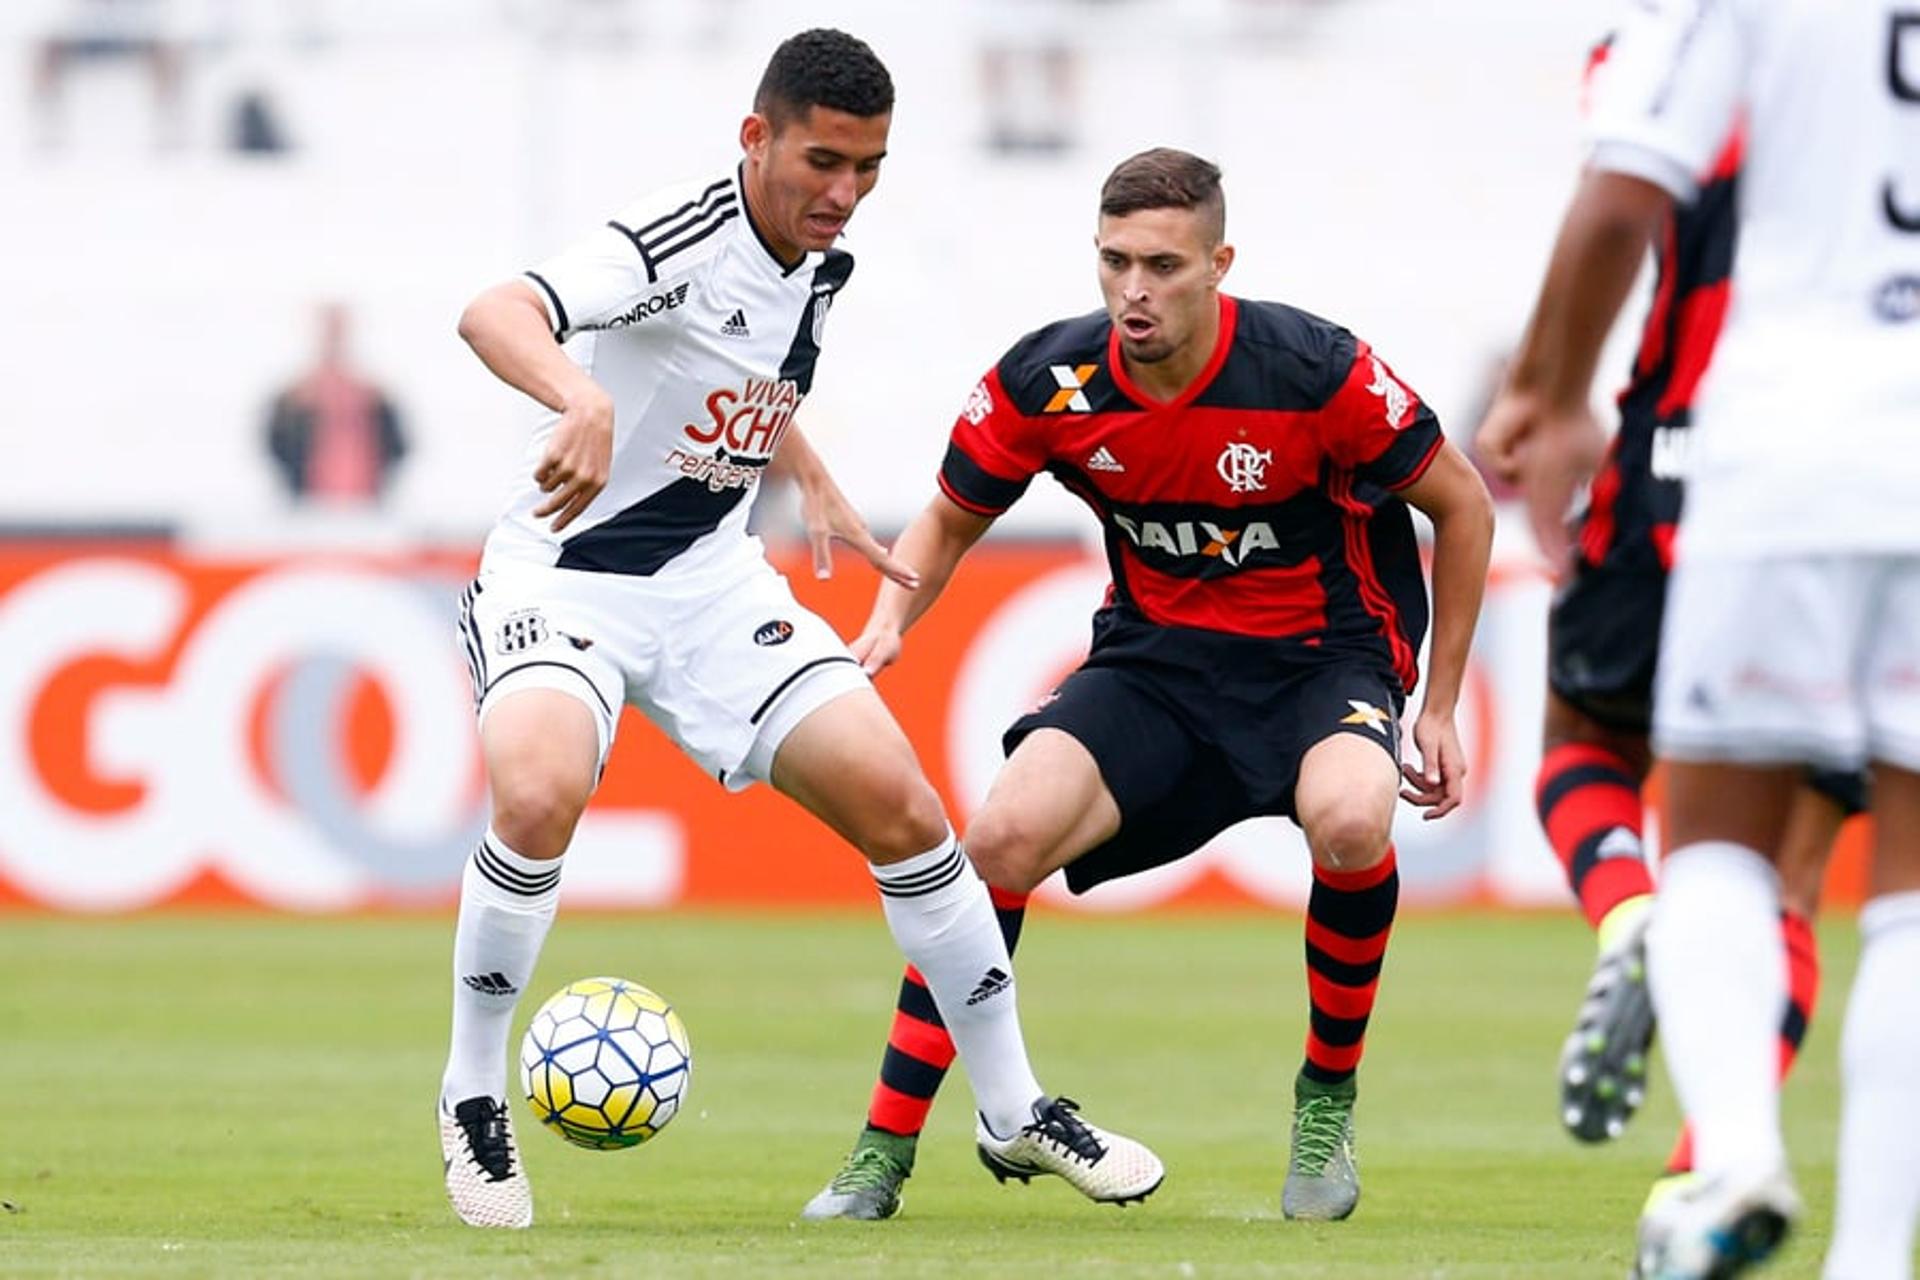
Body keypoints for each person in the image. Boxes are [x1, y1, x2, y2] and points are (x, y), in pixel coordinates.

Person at [438, 28, 1162, 1230]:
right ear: (755, 136)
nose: (845, 193)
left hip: (714, 585)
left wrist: (805, 466)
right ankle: (471, 1092)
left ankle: (1012, 1106)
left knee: (909, 810)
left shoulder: (818, 259)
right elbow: (494, 310)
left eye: (869, 168)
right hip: (567, 576)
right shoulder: (675, 232)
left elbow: (724, 367)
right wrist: (579, 393)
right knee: (537, 793)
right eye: (824, 161)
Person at [801, 147, 1495, 1225]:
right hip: (1158, 664)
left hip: (1324, 661)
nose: (1135, 289)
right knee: (995, 840)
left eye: (1163, 265)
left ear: (1219, 263)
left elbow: (1466, 505)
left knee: (1354, 820)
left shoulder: (1317, 370)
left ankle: (1324, 1096)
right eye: (1115, 261)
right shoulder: (1051, 378)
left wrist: (1439, 699)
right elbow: (948, 516)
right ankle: (882, 1149)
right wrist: (890, 617)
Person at [1472, 2, 1920, 1275]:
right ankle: (1875, 1255)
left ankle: (1728, 1148)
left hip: (1771, 444)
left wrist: (1548, 395)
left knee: (1715, 828)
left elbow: (1622, 198)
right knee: (1899, 887)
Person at [264, 304, 408, 504]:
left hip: (365, 503)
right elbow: (277, 448)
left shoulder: (374, 397)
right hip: (308, 505)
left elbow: (398, 447)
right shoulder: (292, 400)